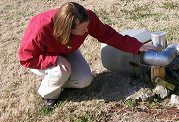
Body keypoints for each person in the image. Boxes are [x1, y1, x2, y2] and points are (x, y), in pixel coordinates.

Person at [18, 2, 156, 107]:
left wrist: (138, 46)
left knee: (84, 80)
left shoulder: (86, 17)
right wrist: (55, 59)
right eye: (82, 29)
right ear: (67, 29)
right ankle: (49, 95)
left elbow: (108, 35)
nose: (86, 31)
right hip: (40, 58)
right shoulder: (39, 27)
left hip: (67, 50)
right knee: (60, 72)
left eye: (87, 27)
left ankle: (59, 81)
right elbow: (26, 59)